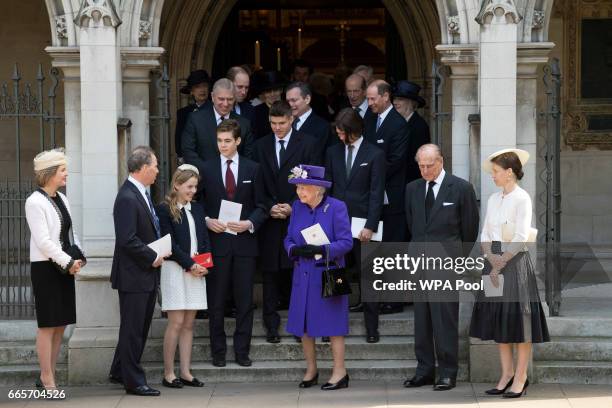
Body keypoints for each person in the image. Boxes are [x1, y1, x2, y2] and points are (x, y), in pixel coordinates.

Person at [470, 148, 550, 399]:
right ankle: (505, 374)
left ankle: (521, 377)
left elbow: (520, 236)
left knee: (519, 321)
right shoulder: (494, 199)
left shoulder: (522, 198)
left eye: (495, 171)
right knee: (498, 318)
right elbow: (485, 233)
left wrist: (500, 262)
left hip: (514, 265)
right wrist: (490, 259)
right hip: (492, 261)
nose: (492, 176)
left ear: (509, 172)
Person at [404, 144, 479, 391]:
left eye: (429, 165)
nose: (425, 170)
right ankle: (424, 370)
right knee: (422, 320)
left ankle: (447, 372)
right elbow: (412, 223)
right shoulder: (412, 189)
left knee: (444, 319)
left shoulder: (461, 188)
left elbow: (469, 229)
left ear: (441, 161)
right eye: (421, 166)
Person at [199, 119, 267, 368]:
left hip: (245, 244)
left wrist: (249, 223)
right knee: (216, 301)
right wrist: (207, 221)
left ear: (238, 141)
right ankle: (218, 352)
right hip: (217, 243)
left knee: (244, 301)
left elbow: (262, 205)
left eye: (227, 141)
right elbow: (197, 205)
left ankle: (242, 352)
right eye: (219, 140)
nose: (223, 145)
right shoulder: (205, 169)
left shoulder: (253, 169)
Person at [252, 100, 319, 343]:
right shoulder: (260, 145)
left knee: (297, 274)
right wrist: (269, 206)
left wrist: (293, 205)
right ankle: (271, 325)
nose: (277, 128)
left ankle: (298, 324)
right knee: (270, 274)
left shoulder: (308, 143)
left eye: (281, 123)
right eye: (273, 123)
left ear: (291, 120)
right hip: (270, 218)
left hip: (298, 216)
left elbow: (312, 179)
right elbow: (256, 180)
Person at [284, 164, 353, 390]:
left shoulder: (336, 207)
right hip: (303, 275)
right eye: (298, 188)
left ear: (317, 189)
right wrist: (293, 249)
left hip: (329, 273)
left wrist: (323, 250)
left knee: (334, 326)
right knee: (304, 326)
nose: (299, 192)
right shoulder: (297, 207)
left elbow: (346, 242)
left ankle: (339, 372)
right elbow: (288, 238)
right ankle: (311, 369)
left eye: (304, 188)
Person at [25, 148, 84, 393]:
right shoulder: (34, 201)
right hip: (46, 268)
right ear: (49, 173)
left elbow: (70, 232)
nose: (66, 174)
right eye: (62, 170)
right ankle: (48, 379)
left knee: (60, 324)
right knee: (47, 325)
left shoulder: (62, 198)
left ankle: (45, 374)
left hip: (63, 266)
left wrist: (79, 256)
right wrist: (67, 262)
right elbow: (44, 242)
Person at [325, 108, 385, 343]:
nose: (340, 137)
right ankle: (330, 325)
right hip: (337, 224)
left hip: (363, 225)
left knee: (367, 275)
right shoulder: (332, 152)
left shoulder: (375, 154)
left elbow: (376, 193)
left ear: (354, 131)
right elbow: (327, 187)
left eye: (343, 133)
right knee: (335, 274)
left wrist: (371, 225)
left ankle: (372, 328)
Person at [109, 146, 164, 397]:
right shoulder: (127, 197)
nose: (157, 170)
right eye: (154, 166)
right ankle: (133, 381)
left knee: (136, 328)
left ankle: (119, 370)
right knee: (134, 330)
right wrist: (152, 256)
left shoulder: (139, 192)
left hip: (143, 274)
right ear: (142, 168)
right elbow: (127, 239)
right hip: (134, 275)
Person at [157, 164, 210, 389]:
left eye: (195, 187)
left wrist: (205, 264)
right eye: (189, 186)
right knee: (176, 322)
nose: (192, 191)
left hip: (197, 270)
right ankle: (169, 373)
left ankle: (186, 372)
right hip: (175, 270)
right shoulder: (164, 209)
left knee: (189, 323)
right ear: (177, 185)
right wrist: (190, 264)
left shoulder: (197, 209)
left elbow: (204, 239)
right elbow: (171, 243)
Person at [364, 80, 409, 315]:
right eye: (368, 99)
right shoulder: (370, 119)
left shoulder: (399, 124)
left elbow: (397, 160)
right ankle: (370, 297)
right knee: (370, 248)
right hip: (371, 196)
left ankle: (394, 299)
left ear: (385, 97)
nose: (369, 103)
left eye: (373, 99)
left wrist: (370, 173)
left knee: (392, 248)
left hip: (391, 196)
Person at [182, 78, 254, 176]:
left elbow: (247, 156)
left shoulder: (244, 124)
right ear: (212, 96)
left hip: (234, 181)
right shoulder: (195, 119)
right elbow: (188, 151)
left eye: (230, 99)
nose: (225, 104)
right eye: (221, 99)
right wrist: (208, 171)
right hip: (204, 181)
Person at [392, 80, 431, 184]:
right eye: (394, 99)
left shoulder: (419, 126)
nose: (395, 102)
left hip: (412, 181)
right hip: (399, 181)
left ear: (411, 102)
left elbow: (418, 159)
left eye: (400, 99)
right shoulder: (397, 123)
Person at [286, 81, 333, 163]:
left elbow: (323, 159)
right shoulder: (284, 123)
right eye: (288, 101)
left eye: (294, 100)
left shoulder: (322, 126)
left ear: (307, 99)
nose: (290, 104)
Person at [175, 69, 211, 163]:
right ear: (191, 91)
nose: (202, 90)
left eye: (204, 86)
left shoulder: (216, 109)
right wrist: (181, 157)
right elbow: (179, 138)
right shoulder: (183, 113)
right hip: (191, 161)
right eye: (197, 87)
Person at [251, 70, 286, 140]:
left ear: (281, 90)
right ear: (263, 93)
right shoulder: (255, 112)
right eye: (268, 91)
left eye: (275, 90)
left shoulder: (288, 109)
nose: (272, 94)